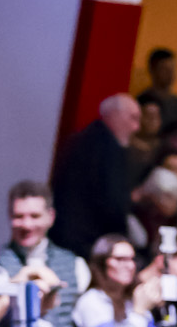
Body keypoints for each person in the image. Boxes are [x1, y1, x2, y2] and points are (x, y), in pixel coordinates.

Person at [0, 182, 89, 327]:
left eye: (35, 216)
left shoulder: (75, 264)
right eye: (19, 216)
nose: (27, 225)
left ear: (50, 217)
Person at [51, 95, 141, 257]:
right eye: (133, 118)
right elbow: (113, 202)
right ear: (114, 115)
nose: (136, 127)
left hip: (65, 236)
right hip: (86, 243)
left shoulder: (84, 139)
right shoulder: (108, 149)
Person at [139, 47, 177, 133]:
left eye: (172, 68)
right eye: (165, 69)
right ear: (152, 70)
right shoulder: (142, 101)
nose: (170, 73)